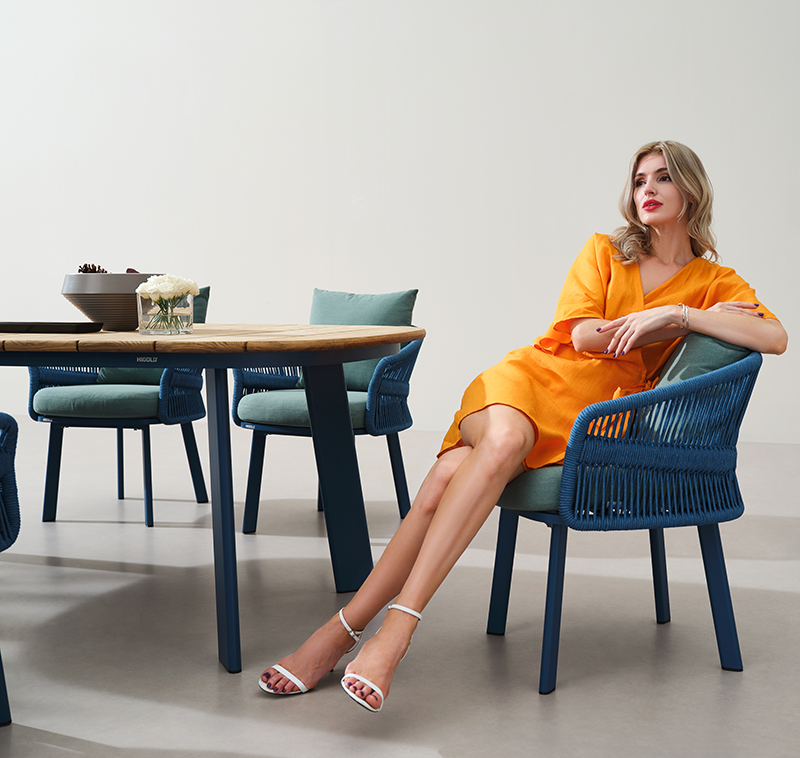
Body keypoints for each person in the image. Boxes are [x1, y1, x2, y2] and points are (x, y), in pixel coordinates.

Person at [259, 140, 788, 712]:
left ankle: (339, 631)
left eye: (663, 178)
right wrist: (665, 323)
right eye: (639, 181)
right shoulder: (605, 250)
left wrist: (682, 313)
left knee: (444, 481)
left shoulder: (714, 281)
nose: (648, 190)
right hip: (530, 382)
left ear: (692, 189)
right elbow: (583, 335)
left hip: (591, 419)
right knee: (506, 439)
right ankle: (397, 631)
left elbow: (775, 337)